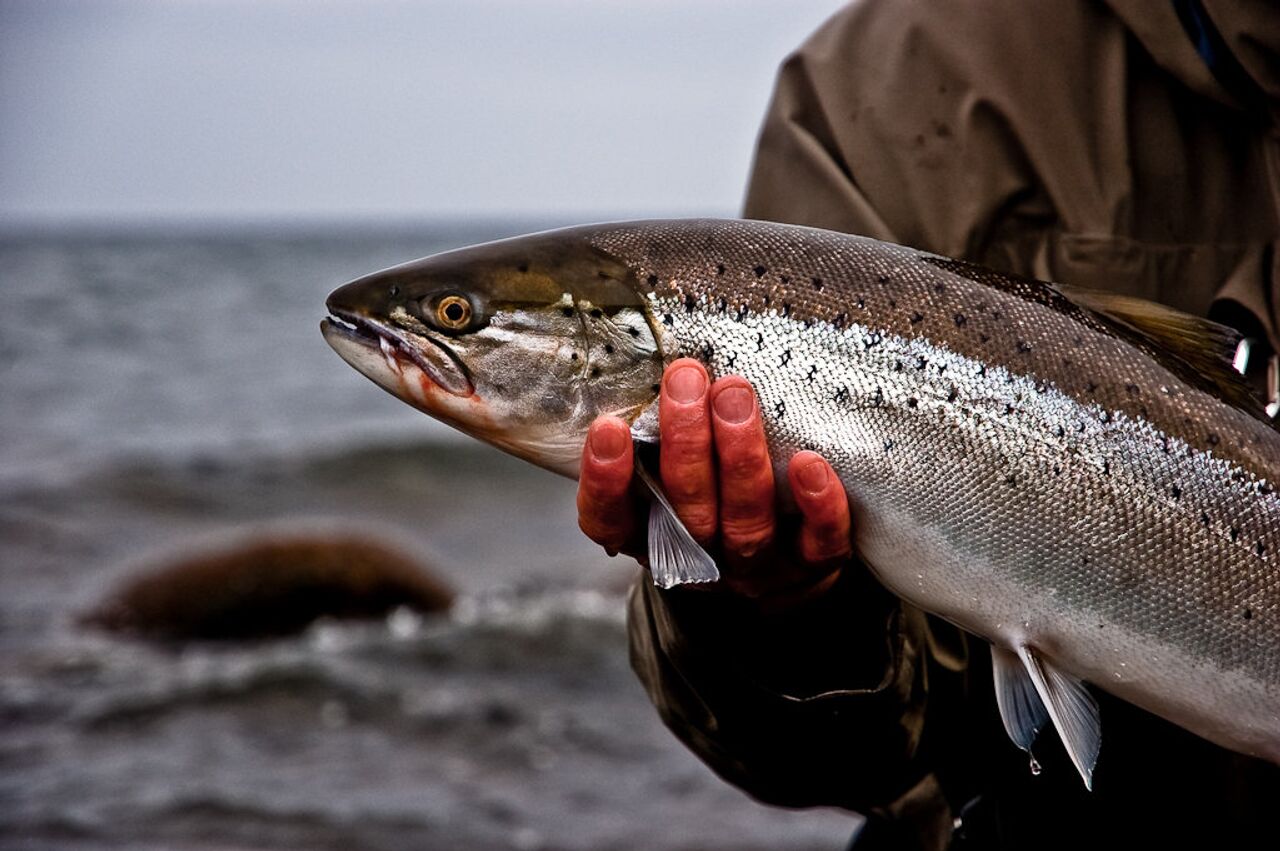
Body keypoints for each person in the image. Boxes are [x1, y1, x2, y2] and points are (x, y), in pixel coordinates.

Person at [578, 1, 1279, 849]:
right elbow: (848, 759)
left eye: (458, 318)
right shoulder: (883, 89)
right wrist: (775, 618)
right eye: (460, 317)